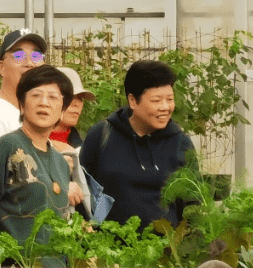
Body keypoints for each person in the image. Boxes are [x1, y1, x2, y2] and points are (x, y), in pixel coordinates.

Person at [80, 59, 195, 232]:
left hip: (164, 253)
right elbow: (83, 188)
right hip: (108, 251)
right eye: (156, 101)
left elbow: (193, 204)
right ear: (133, 100)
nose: (165, 107)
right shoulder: (102, 135)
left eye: (169, 99)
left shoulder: (180, 143)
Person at [0, 65, 77, 249]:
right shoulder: (7, 147)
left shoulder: (61, 162)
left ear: (62, 110)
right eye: (36, 95)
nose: (44, 102)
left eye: (52, 97)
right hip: (14, 267)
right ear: (21, 105)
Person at [0, 28, 47, 160]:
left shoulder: (32, 115)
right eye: (19, 55)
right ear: (2, 67)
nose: (29, 63)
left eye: (36, 56)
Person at [49, 67, 96, 149]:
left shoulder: (86, 151)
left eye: (80, 98)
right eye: (70, 96)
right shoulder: (23, 142)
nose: (77, 104)